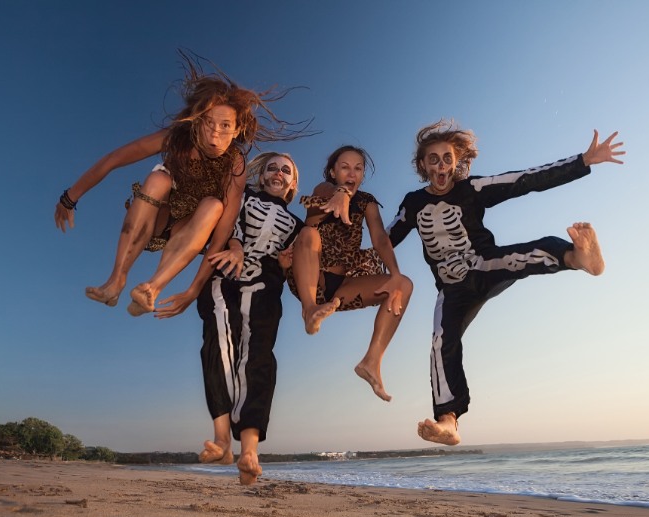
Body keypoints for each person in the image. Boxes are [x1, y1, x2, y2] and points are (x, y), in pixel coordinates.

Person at [386, 121, 625, 445]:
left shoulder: (471, 189)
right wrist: (344, 266)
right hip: (451, 289)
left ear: (457, 163)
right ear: (423, 165)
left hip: (483, 264)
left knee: (526, 255)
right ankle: (448, 422)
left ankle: (577, 258)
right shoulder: (413, 203)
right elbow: (385, 241)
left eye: (447, 158)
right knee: (442, 341)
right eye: (433, 159)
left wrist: (581, 161)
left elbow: (524, 181)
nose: (441, 165)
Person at [54, 52, 307, 316]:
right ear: (197, 121)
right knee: (159, 178)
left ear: (236, 130)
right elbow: (115, 159)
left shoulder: (235, 164)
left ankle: (152, 288)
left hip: (193, 229)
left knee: (213, 205)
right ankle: (116, 279)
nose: (215, 134)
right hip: (158, 215)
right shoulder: (177, 138)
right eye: (209, 123)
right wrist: (70, 197)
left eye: (224, 126)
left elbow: (223, 231)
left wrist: (193, 289)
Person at [155, 152, 304, 485]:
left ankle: (249, 449)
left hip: (267, 284)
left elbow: (296, 257)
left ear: (293, 183)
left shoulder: (297, 224)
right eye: (272, 167)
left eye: (286, 170)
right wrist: (236, 246)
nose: (278, 172)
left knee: (259, 356)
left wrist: (284, 263)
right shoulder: (244, 196)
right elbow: (230, 221)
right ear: (261, 175)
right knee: (220, 338)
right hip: (226, 274)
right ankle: (222, 438)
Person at [288, 146, 413, 402]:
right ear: (333, 171)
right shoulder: (323, 191)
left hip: (344, 286)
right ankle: (310, 310)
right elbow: (324, 191)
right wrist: (340, 192)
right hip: (311, 278)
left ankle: (371, 361)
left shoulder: (366, 202)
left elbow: (379, 238)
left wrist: (396, 273)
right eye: (344, 167)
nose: (351, 172)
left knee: (404, 285)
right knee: (309, 233)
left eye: (358, 168)